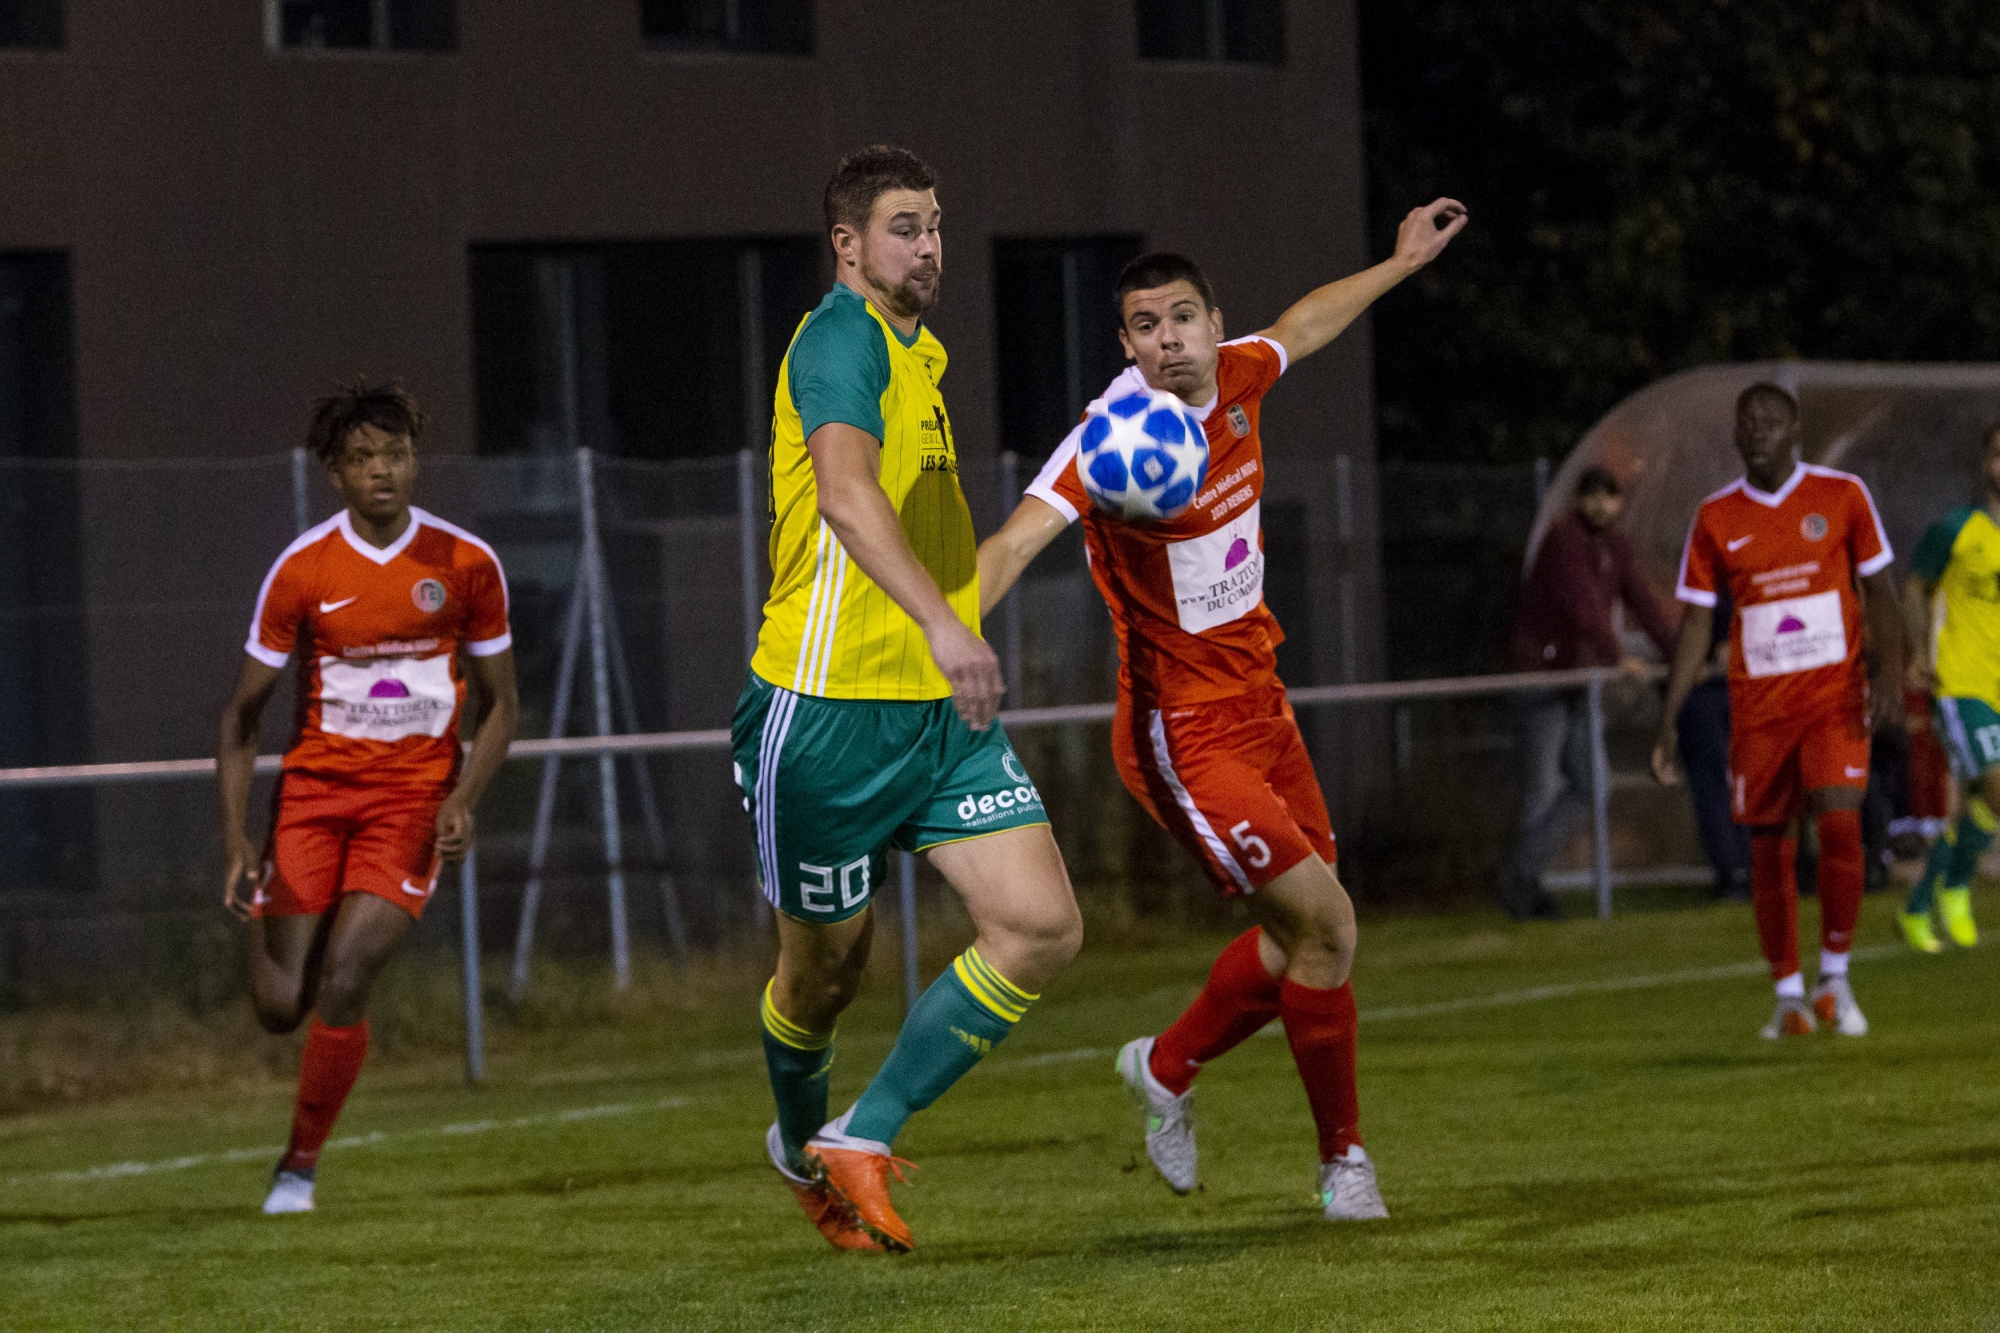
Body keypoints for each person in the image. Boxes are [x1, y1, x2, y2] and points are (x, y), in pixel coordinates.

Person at [977, 198, 1468, 1220]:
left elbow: (1303, 326)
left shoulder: (1238, 374)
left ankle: (1164, 1065)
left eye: (1182, 320)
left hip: (1261, 701)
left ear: (1210, 322)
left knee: (1303, 940)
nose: (1168, 341)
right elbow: (1013, 545)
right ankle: (1342, 1165)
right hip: (1180, 733)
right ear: (1126, 344)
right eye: (1145, 327)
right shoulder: (1106, 443)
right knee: (1327, 925)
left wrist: (1398, 262)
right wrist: (936, 640)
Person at [738, 146, 1082, 1254]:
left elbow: (941, 560)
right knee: (824, 976)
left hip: (935, 715)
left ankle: (861, 1134)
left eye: (934, 224)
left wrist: (1051, 506)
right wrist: (942, 625)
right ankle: (800, 1147)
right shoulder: (839, 337)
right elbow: (842, 498)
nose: (927, 246)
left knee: (1038, 925)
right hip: (824, 711)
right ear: (847, 244)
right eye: (902, 227)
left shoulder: (916, 353)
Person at [217, 382, 519, 1214]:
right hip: (313, 795)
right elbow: (241, 715)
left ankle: (298, 1167)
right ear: (335, 473)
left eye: (394, 454)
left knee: (347, 977)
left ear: (415, 461)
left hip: (411, 803)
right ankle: (273, 931)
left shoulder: (464, 563)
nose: (381, 471)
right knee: (283, 1006)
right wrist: (238, 839)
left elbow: (503, 703)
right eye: (361, 458)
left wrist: (463, 797)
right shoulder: (303, 569)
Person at [1652, 384, 1903, 1039]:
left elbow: (1879, 590)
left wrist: (1889, 671)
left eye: (1771, 420)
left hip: (1832, 697)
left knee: (1840, 819)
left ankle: (1837, 976)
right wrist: (1669, 718)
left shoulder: (1841, 495)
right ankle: (1789, 994)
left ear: (1795, 431)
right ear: (1737, 438)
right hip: (1760, 711)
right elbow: (1697, 624)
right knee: (1770, 846)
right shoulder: (1716, 518)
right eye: (1748, 422)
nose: (1758, 429)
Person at [1503, 466, 1677, 919]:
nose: (1601, 504)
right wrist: (1618, 656)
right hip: (1542, 678)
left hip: (1578, 681)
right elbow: (1582, 606)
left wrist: (1677, 653)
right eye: (1592, 495)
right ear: (1578, 500)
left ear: (1620, 502)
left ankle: (1521, 873)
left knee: (1591, 785)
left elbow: (1640, 599)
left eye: (1610, 495)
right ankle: (1523, 888)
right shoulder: (1564, 540)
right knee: (1541, 787)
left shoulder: (1616, 546)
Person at [1894, 422, 2000, 951]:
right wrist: (1919, 652)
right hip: (1961, 683)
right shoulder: (1960, 527)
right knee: (1997, 787)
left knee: (1976, 805)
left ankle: (1918, 908)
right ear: (1986, 464)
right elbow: (1915, 585)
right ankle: (1957, 887)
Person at [1676, 588, 1753, 900]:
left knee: (1733, 783)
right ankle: (1737, 869)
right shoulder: (1721, 582)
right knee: (1723, 782)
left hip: (1727, 691)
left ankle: (1739, 869)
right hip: (1716, 692)